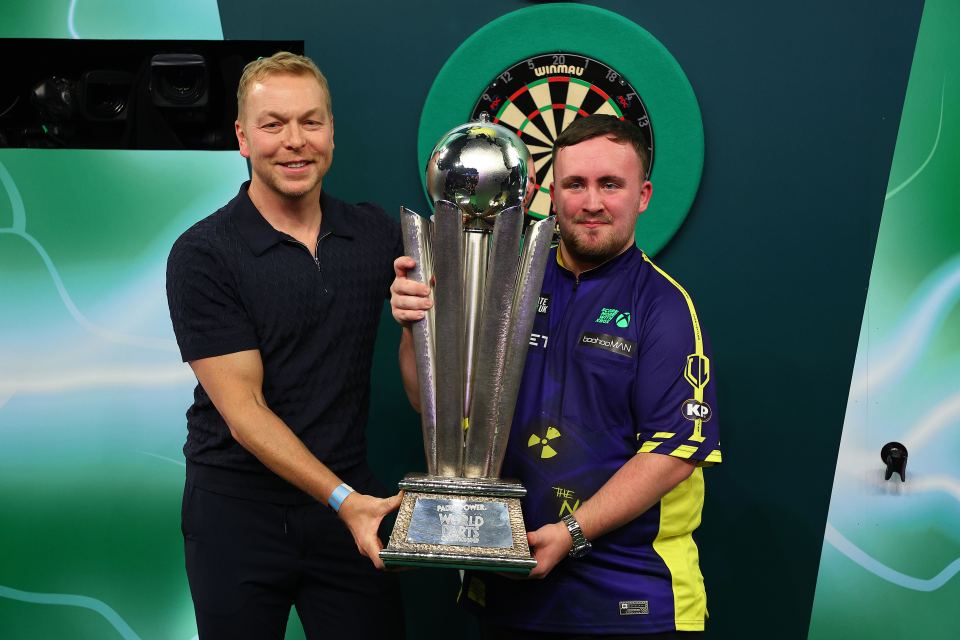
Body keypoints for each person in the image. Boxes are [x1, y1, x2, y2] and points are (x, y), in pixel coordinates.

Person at [390, 114, 722, 638]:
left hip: (628, 599)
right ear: (550, 194)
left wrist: (571, 532)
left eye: (610, 184)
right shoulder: (506, 281)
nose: (592, 202)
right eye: (575, 184)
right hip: (508, 590)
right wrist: (417, 329)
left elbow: (675, 452)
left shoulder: (664, 306)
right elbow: (432, 404)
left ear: (643, 195)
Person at [166, 52, 404, 639]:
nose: (294, 142)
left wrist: (413, 325)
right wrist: (346, 500)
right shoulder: (204, 254)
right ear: (243, 138)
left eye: (311, 122)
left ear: (331, 132)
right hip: (236, 512)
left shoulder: (376, 234)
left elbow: (425, 379)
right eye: (273, 125)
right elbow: (245, 413)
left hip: (353, 509)